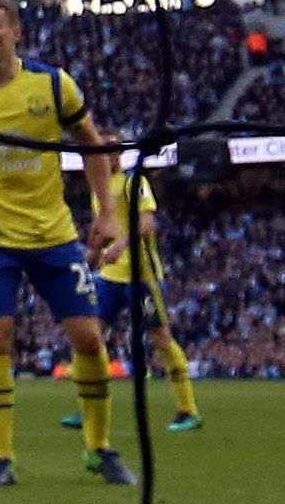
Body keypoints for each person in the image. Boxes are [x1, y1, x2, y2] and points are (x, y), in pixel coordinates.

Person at [0, 0, 133, 490]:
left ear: (16, 31)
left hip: (54, 235)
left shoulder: (53, 84)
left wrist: (106, 214)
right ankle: (1, 458)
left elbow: (92, 144)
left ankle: (98, 448)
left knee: (88, 338)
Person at [61, 169, 202, 435]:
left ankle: (188, 409)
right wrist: (93, 252)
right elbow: (103, 229)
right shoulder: (99, 187)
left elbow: (147, 223)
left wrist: (120, 246)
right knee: (89, 337)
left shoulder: (133, 182)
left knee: (161, 338)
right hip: (108, 276)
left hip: (141, 275)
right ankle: (88, 408)